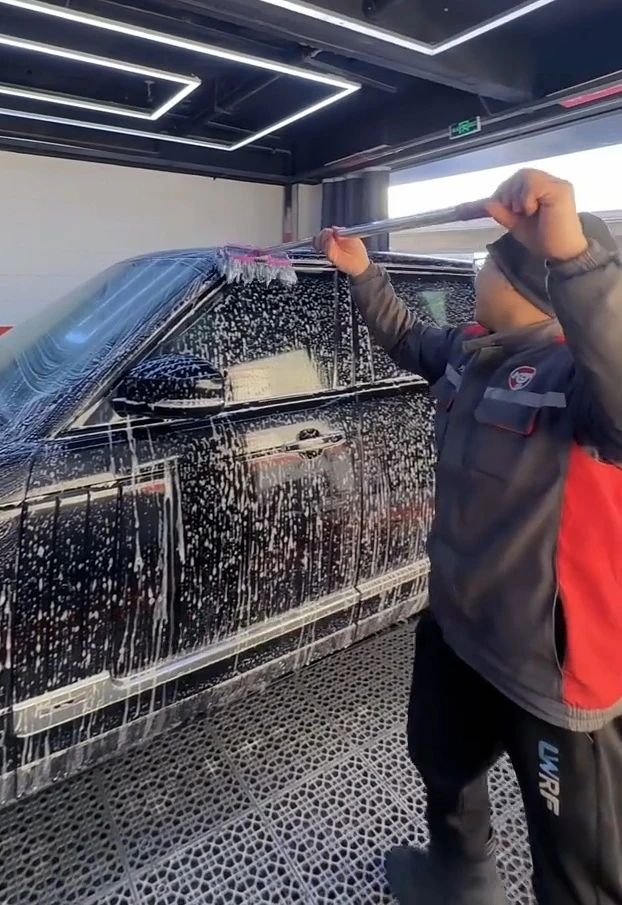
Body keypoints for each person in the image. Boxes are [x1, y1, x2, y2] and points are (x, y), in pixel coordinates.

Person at [314, 169, 622, 905]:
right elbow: (406, 336)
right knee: (443, 767)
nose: (476, 271)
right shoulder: (473, 350)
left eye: (488, 261)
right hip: (458, 631)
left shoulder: (579, 382)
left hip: (549, 674)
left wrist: (574, 257)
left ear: (523, 282)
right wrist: (363, 273)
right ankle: (459, 879)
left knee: (577, 870)